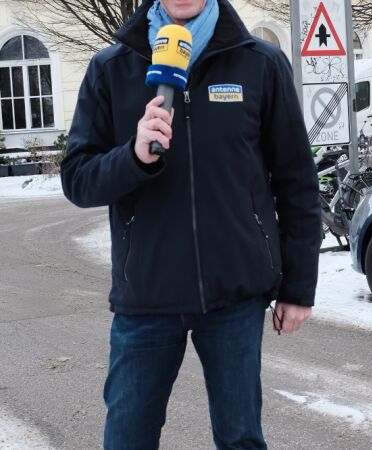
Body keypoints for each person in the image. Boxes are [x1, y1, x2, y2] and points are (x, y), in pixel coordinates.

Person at [60, 0, 321, 448]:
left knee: (241, 438)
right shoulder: (111, 67)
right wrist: (134, 156)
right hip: (146, 295)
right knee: (127, 438)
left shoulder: (260, 63)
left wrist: (298, 287)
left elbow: (296, 180)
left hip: (234, 295)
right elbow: (78, 179)